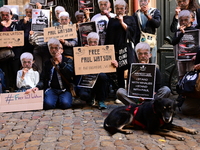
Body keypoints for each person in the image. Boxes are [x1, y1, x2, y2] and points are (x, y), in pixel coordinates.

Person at [77, 32, 118, 109]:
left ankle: (101, 100)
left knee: (103, 76)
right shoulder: (82, 52)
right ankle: (90, 98)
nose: (93, 44)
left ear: (98, 42)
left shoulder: (104, 52)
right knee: (83, 95)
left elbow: (111, 72)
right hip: (88, 81)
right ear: (87, 42)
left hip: (100, 81)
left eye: (95, 42)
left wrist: (115, 65)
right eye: (91, 42)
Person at [33, 38, 74, 110]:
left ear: (59, 49)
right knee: (48, 105)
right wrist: (38, 87)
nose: (54, 50)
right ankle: (55, 99)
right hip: (52, 89)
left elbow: (70, 74)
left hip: (64, 89)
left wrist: (61, 63)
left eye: (56, 48)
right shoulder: (47, 63)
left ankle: (61, 99)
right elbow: (43, 78)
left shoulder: (67, 61)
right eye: (51, 48)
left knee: (66, 104)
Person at [105, 0, 137, 89]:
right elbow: (108, 36)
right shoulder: (111, 20)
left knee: (131, 68)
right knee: (118, 71)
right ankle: (120, 92)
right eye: (117, 8)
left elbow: (132, 32)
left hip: (127, 48)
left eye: (121, 8)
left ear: (125, 9)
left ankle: (132, 90)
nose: (119, 10)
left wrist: (122, 22)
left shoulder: (130, 19)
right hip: (116, 49)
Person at [0, 6, 23, 91]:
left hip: (15, 52)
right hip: (4, 54)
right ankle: (7, 88)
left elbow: (21, 36)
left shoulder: (17, 24)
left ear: (11, 15)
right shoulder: (0, 25)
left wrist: (14, 44)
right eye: (3, 15)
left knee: (15, 71)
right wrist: (3, 27)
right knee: (6, 72)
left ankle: (15, 88)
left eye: (7, 15)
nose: (5, 17)